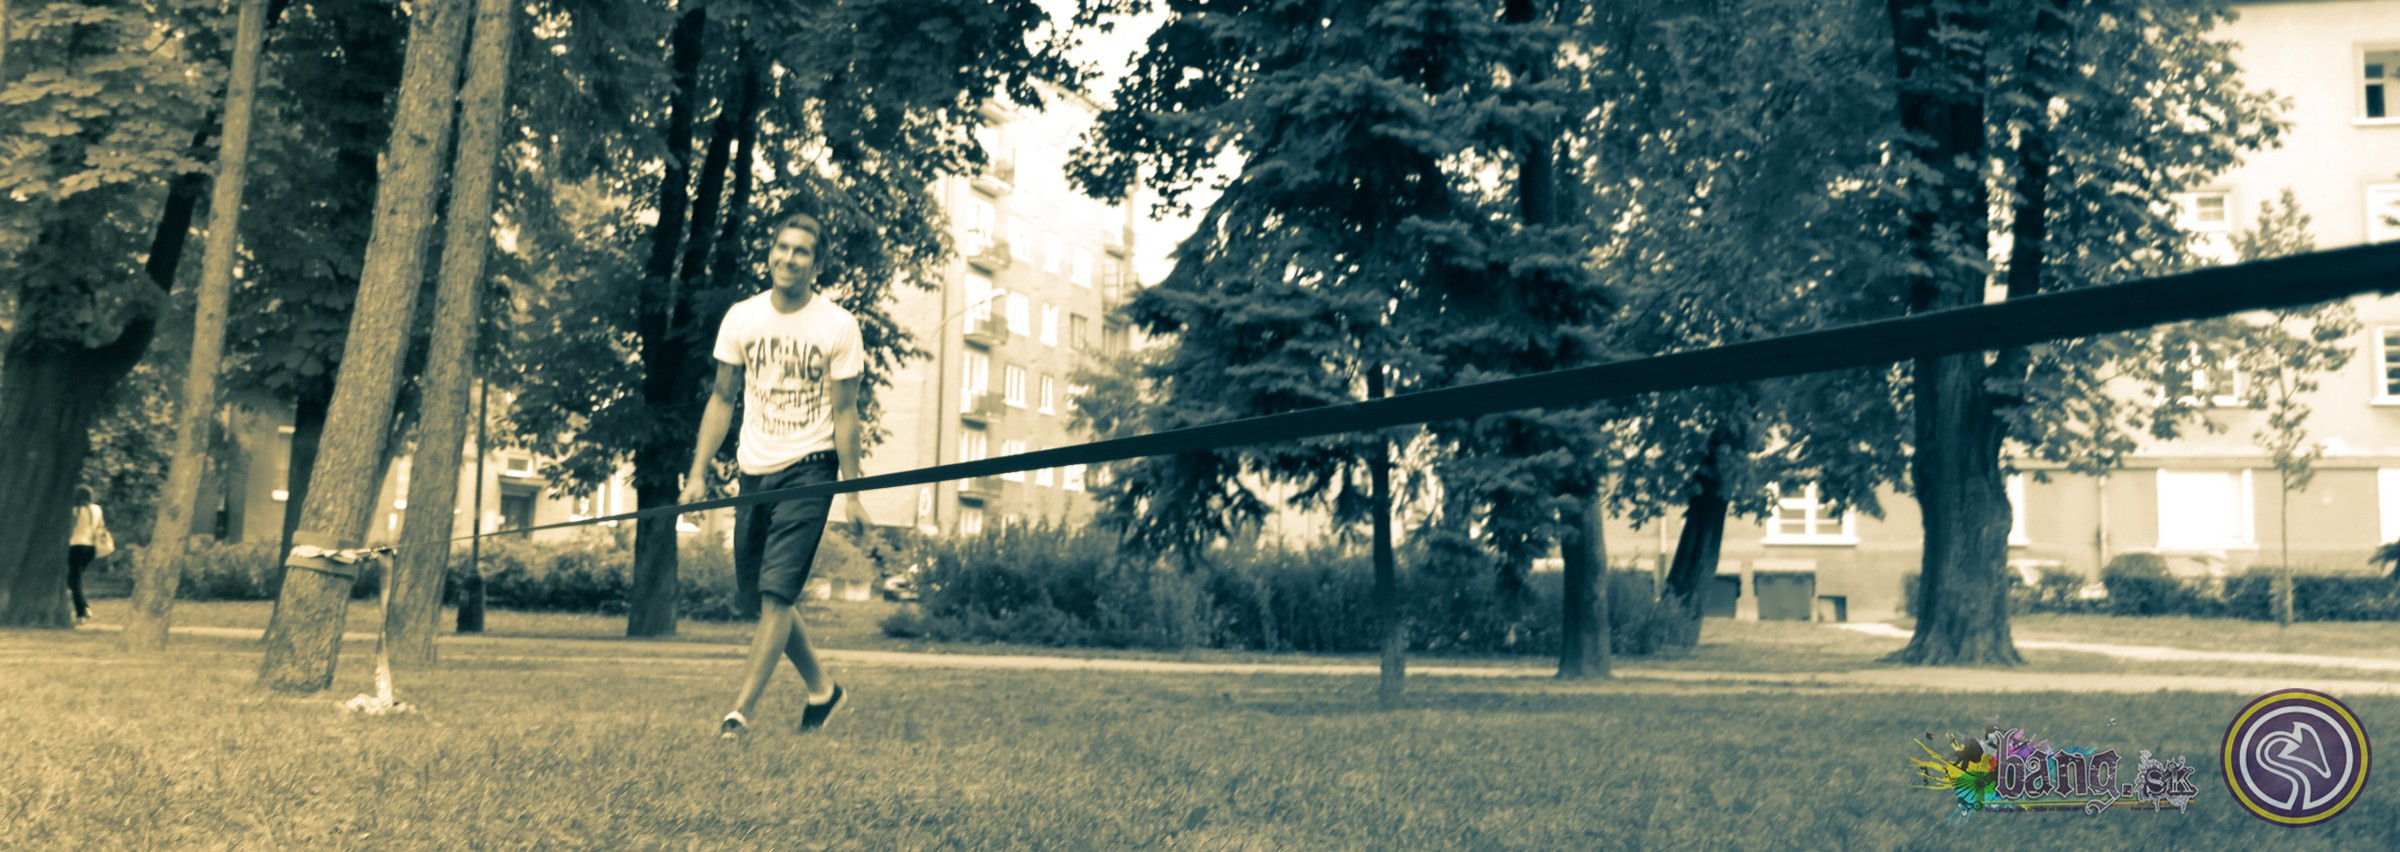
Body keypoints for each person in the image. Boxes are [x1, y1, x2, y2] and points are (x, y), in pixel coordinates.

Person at [682, 208, 871, 739]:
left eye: (801, 251)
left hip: (812, 469)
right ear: (770, 253)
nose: (789, 258)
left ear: (818, 263)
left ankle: (738, 714)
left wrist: (853, 492)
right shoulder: (742, 318)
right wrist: (697, 473)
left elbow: (846, 413)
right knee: (761, 596)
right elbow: (722, 398)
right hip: (754, 469)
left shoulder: (838, 326)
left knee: (777, 593)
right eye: (782, 248)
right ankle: (824, 690)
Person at [66, 486, 105, 622]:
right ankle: (83, 606)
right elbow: (100, 527)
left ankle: (82, 612)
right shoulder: (97, 509)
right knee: (73, 579)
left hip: (76, 546)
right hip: (91, 547)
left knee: (74, 580)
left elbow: (70, 529)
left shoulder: (74, 511)